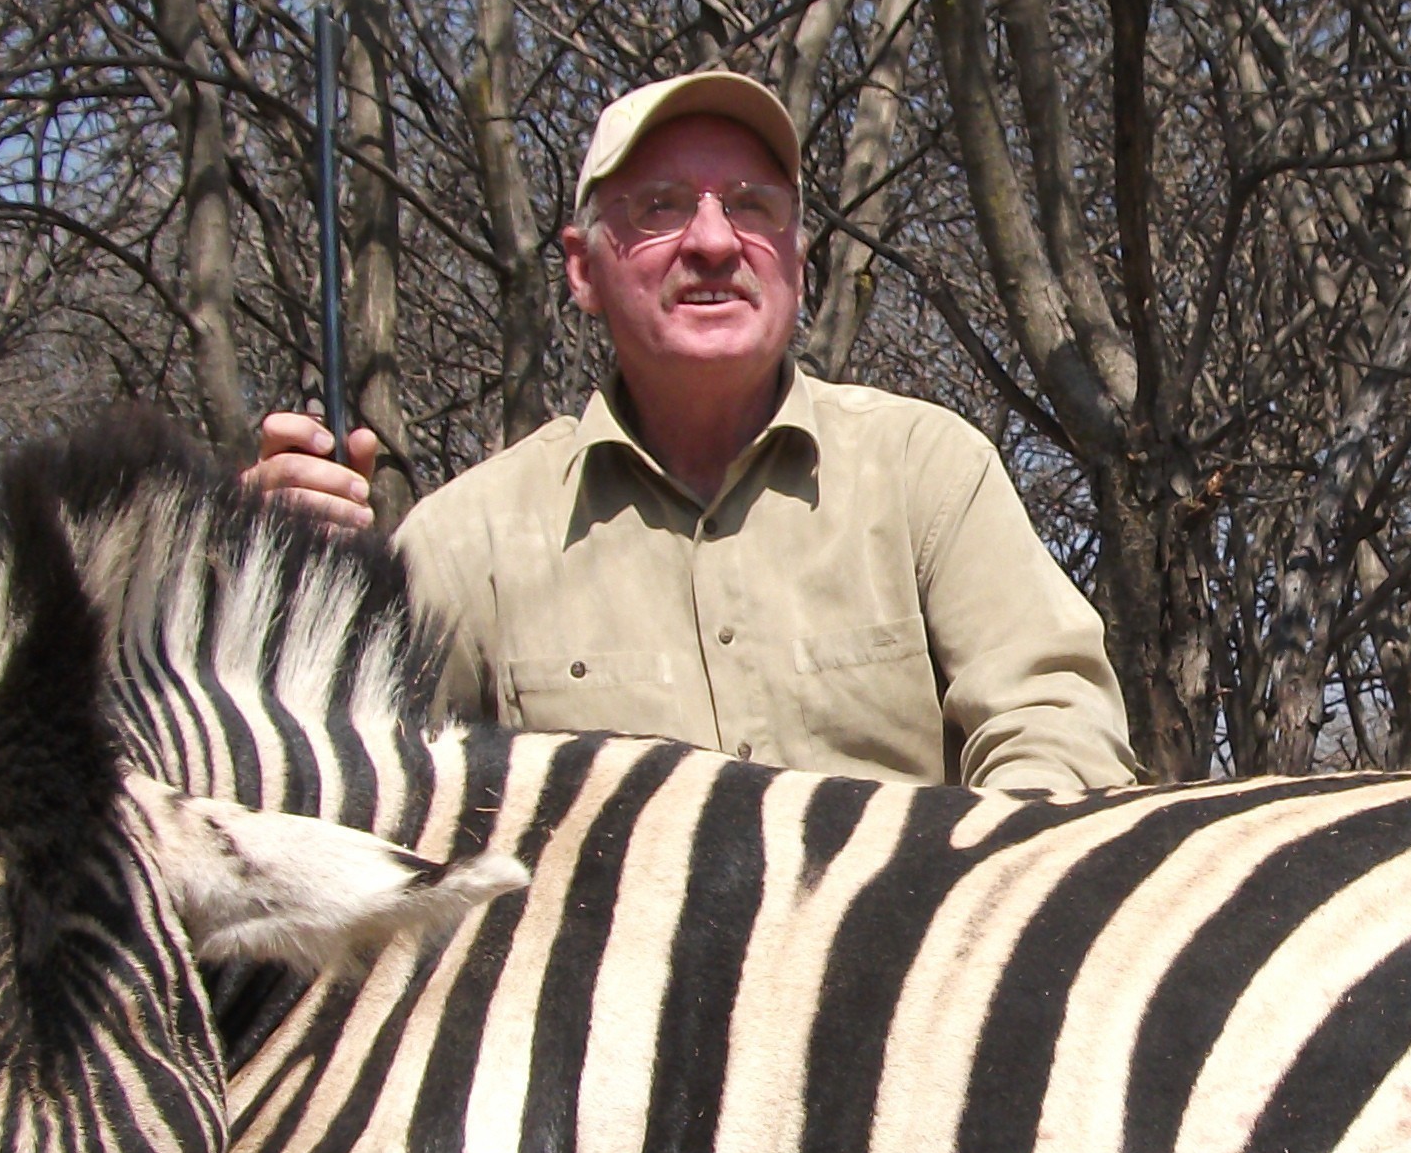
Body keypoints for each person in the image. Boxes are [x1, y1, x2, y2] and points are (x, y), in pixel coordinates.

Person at [245, 68, 1140, 798]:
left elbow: (1056, 720)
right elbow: (348, 800)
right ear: (581, 269)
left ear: (796, 256)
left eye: (753, 206)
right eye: (660, 209)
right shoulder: (465, 539)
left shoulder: (926, 472)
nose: (713, 241)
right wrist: (265, 596)